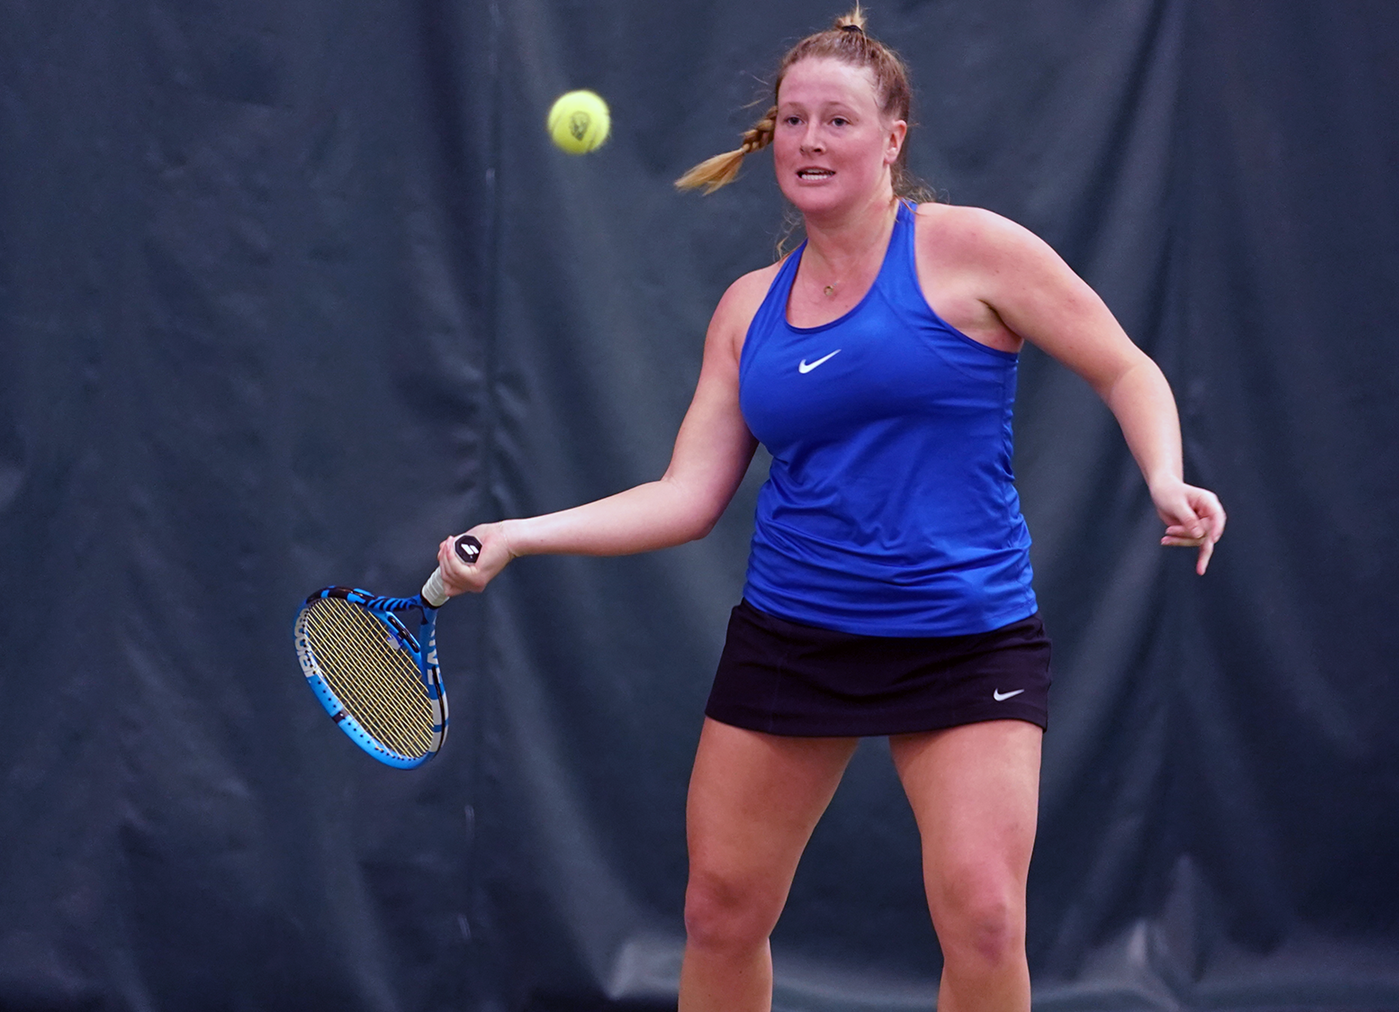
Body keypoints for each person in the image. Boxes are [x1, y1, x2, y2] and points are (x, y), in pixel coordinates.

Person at [435, 8, 1225, 1010]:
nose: (811, 141)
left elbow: (1125, 366)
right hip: (795, 636)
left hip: (966, 637)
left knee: (985, 917)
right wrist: (517, 534)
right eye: (794, 120)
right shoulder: (747, 309)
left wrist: (1164, 472)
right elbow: (686, 496)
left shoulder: (973, 251)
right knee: (720, 910)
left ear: (892, 139)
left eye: (838, 121)